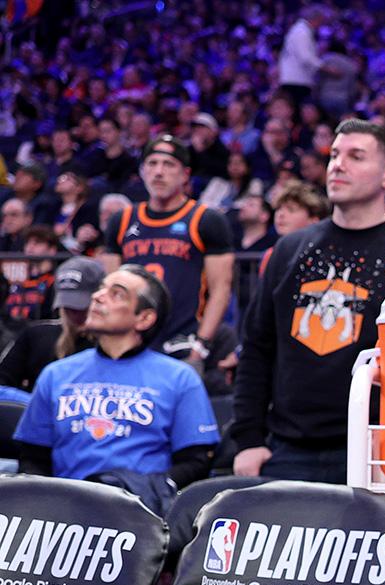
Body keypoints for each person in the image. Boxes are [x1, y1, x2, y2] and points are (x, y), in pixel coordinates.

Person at [230, 119, 385, 484]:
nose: (337, 164)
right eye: (334, 154)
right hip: (288, 448)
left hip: (380, 451)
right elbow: (257, 348)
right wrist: (249, 440)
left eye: (356, 156)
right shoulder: (289, 249)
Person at [13, 264, 219, 514]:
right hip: (64, 514)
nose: (98, 296)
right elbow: (33, 456)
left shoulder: (180, 378)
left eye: (116, 293)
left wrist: (150, 490)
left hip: (141, 516)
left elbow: (196, 460)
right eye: (101, 289)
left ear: (144, 318)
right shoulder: (56, 374)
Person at [101, 134, 235, 367]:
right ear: (142, 171)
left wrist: (200, 348)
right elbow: (111, 288)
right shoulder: (121, 221)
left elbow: (221, 289)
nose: (159, 172)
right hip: (131, 342)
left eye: (168, 164)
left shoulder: (206, 219)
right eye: (152, 164)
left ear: (185, 174)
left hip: (182, 342)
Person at [0, 257, 102, 392]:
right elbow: (3, 381)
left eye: (81, 307)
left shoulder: (111, 343)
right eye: (68, 307)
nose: (75, 313)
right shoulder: (36, 335)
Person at [278, 6, 328, 106]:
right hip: (297, 81)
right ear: (317, 19)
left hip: (297, 80)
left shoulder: (301, 30)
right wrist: (326, 68)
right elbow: (306, 57)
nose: (322, 25)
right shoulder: (301, 32)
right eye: (322, 21)